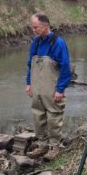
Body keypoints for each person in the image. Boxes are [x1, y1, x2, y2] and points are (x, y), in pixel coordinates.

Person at [26, 13, 71, 160]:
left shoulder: (58, 43)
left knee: (53, 118)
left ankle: (55, 147)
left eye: (36, 27)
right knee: (38, 117)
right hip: (37, 88)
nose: (34, 30)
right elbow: (29, 65)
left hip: (52, 89)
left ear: (46, 26)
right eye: (32, 28)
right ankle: (42, 145)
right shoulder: (36, 42)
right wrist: (28, 83)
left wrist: (60, 89)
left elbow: (65, 68)